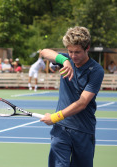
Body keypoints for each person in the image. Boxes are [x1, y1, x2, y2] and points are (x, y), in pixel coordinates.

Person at [40, 26, 104, 167]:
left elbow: (82, 103)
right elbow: (44, 52)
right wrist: (65, 60)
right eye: (70, 52)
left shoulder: (96, 71)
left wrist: (54, 117)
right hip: (61, 129)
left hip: (83, 130)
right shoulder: (66, 60)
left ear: (87, 48)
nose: (73, 56)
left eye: (77, 52)